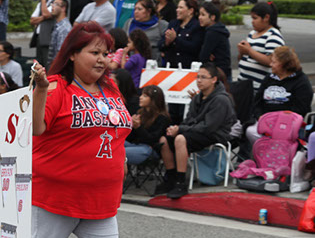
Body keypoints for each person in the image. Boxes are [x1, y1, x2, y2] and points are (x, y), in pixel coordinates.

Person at [14, 21, 172, 238]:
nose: (102, 59)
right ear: (72, 54)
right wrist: (40, 89)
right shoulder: (56, 87)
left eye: (105, 52)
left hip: (101, 198)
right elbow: (38, 128)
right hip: (55, 195)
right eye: (93, 52)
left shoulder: (111, 89)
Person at [157, 63, 237, 199]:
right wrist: (176, 129)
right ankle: (171, 176)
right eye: (197, 77)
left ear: (214, 80)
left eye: (203, 77)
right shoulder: (197, 98)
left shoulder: (221, 100)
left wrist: (181, 130)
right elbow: (188, 121)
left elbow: (209, 127)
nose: (199, 80)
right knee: (164, 139)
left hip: (215, 135)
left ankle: (180, 182)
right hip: (198, 132)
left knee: (180, 139)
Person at [245, 46, 313, 145]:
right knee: (251, 131)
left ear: (284, 64)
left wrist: (278, 121)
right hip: (266, 121)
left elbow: (301, 109)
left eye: (274, 62)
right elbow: (257, 102)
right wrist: (260, 117)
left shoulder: (301, 81)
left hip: (289, 123)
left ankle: (276, 155)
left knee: (278, 136)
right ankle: (265, 155)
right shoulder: (269, 78)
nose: (270, 64)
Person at [237, 2, 285, 93]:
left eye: (255, 18)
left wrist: (249, 51)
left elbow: (271, 61)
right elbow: (243, 59)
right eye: (252, 18)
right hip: (243, 85)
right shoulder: (252, 34)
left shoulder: (273, 36)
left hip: (259, 89)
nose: (252, 21)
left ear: (266, 18)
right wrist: (242, 52)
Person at [125, 85, 170, 164]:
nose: (140, 97)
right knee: (113, 145)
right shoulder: (140, 113)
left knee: (118, 153)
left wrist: (138, 127)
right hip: (135, 144)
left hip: (149, 148)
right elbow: (130, 138)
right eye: (141, 95)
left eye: (145, 96)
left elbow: (152, 140)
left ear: (153, 100)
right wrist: (131, 126)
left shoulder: (162, 117)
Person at [159, 0, 204, 70]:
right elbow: (161, 45)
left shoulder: (197, 26)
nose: (177, 10)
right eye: (177, 7)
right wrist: (166, 42)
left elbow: (195, 47)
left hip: (188, 69)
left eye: (181, 8)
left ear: (190, 10)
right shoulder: (173, 24)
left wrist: (176, 39)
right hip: (170, 68)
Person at [30, 0, 63, 65]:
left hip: (49, 40)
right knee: (38, 66)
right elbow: (32, 20)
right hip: (39, 39)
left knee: (48, 66)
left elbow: (46, 13)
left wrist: (43, 0)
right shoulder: (43, 3)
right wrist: (44, 17)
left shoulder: (59, 1)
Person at [198, 2, 231, 81]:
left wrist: (208, 58)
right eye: (199, 14)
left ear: (212, 17)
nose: (199, 17)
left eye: (203, 15)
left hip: (218, 74)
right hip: (224, 71)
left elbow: (203, 57)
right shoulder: (218, 29)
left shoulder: (213, 32)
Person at [47, 0, 72, 68]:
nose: (52, 6)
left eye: (56, 4)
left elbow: (61, 52)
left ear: (63, 8)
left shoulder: (64, 28)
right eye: (52, 4)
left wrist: (53, 68)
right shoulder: (59, 25)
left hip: (57, 68)